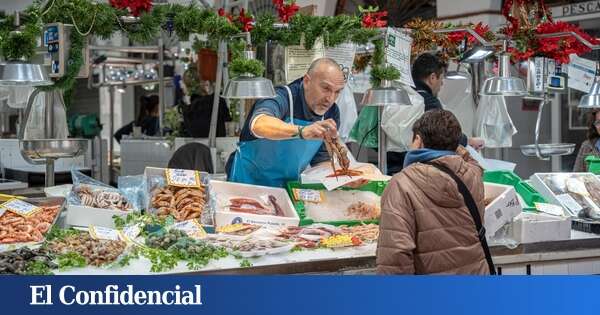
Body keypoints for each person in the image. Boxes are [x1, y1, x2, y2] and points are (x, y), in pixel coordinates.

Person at [376, 109, 493, 275]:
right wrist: (450, 142)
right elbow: (469, 159)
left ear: (418, 140)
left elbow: (395, 256)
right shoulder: (472, 175)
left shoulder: (401, 184)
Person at [226, 57, 345, 187]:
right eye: (326, 88)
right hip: (247, 183)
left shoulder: (331, 113)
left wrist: (344, 178)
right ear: (306, 81)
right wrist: (301, 131)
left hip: (286, 189)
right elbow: (259, 124)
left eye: (337, 92)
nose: (330, 99)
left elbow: (321, 161)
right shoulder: (281, 97)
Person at [386, 53, 485, 175]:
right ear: (432, 77)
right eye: (441, 79)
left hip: (387, 165)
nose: (441, 84)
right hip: (415, 169)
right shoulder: (429, 101)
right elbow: (446, 133)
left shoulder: (398, 96)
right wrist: (468, 141)